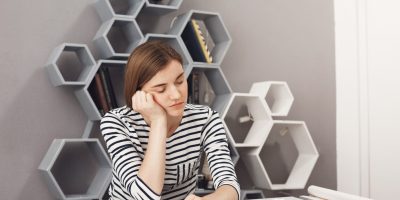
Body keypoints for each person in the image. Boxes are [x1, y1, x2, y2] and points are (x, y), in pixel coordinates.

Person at [100, 40, 240, 200]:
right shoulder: (116, 123)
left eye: (180, 81)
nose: (176, 94)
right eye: (161, 89)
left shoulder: (205, 119)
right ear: (138, 93)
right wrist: (158, 122)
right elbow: (145, 195)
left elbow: (229, 185)